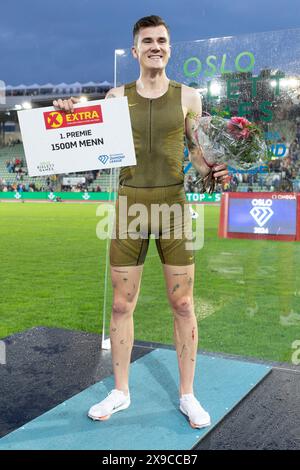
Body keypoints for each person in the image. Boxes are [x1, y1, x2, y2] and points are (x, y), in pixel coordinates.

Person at [53, 15, 228, 429]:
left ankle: (187, 395)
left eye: (162, 40)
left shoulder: (190, 97)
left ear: (170, 48)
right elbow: (83, 131)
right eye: (147, 41)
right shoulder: (116, 96)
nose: (155, 46)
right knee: (120, 303)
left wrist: (215, 169)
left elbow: (200, 160)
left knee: (183, 303)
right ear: (135, 50)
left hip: (173, 206)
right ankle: (121, 391)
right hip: (129, 206)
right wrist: (66, 113)